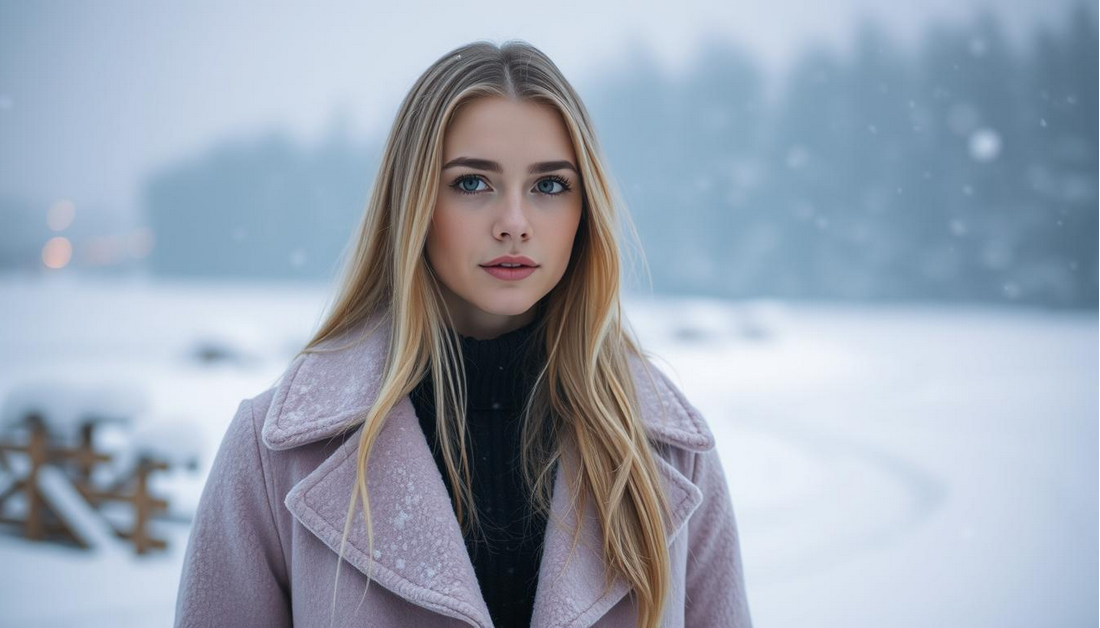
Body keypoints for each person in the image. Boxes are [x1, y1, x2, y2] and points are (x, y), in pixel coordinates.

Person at [174, 39, 752, 628]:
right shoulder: (278, 455)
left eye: (550, 185)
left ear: (586, 211)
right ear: (413, 204)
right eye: (473, 183)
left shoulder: (664, 452)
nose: (514, 224)